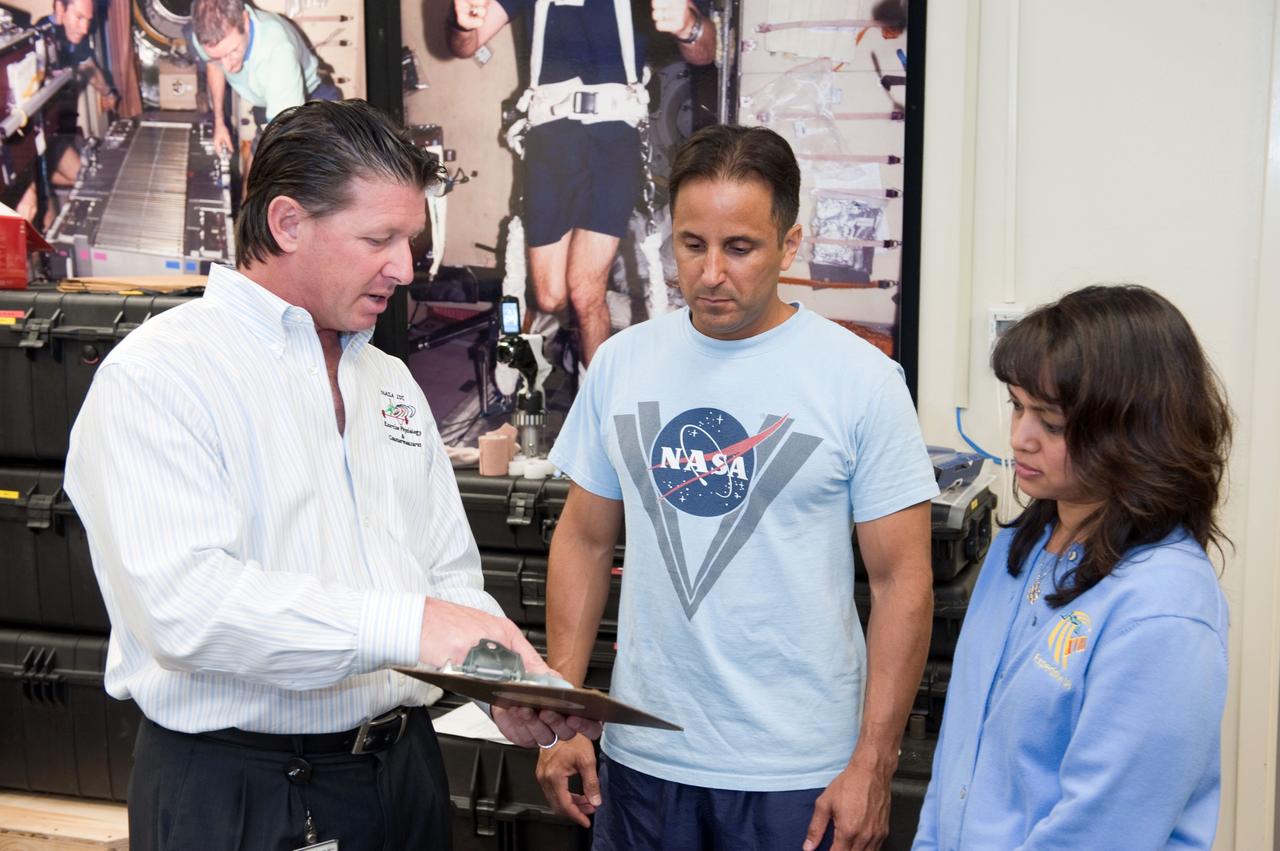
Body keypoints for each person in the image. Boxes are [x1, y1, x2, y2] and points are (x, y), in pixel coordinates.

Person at [64, 99, 599, 850]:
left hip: (405, 769)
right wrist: (416, 626)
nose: (406, 268)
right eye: (378, 238)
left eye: (409, 239)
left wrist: (497, 679)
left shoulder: (389, 382)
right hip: (242, 788)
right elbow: (186, 609)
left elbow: (444, 570)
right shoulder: (160, 376)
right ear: (286, 223)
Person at [535, 123, 939, 850]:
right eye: (693, 244)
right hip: (642, 761)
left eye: (740, 248)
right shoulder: (624, 365)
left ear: (789, 246)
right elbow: (585, 539)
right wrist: (563, 710)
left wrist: (874, 765)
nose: (711, 272)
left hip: (797, 771)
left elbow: (902, 582)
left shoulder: (862, 382)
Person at [912, 285, 1232, 849]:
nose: (1019, 438)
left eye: (1052, 423)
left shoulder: (1164, 608)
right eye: (1017, 406)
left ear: (1136, 430)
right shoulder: (1023, 548)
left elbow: (1102, 829)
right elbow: (958, 760)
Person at [447, 0, 715, 367]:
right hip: (550, 138)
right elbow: (465, 45)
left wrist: (689, 25)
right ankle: (533, 357)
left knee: (586, 292)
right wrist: (464, 25)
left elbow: (705, 52)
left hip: (614, 138)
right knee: (550, 296)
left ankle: (599, 408)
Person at [190, 0, 339, 158]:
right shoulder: (207, 34)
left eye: (232, 52)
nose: (228, 67)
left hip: (312, 103)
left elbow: (286, 138)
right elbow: (214, 66)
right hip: (267, 100)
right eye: (219, 57)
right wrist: (219, 123)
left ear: (245, 21)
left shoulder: (278, 54)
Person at [15, 0, 118, 223]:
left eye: (88, 21)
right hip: (26, 149)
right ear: (60, 10)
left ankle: (45, 186)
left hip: (52, 138)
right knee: (43, 219)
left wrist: (108, 93)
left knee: (85, 180)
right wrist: (28, 185)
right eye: (79, 18)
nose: (84, 28)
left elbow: (90, 67)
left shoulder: (74, 38)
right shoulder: (37, 42)